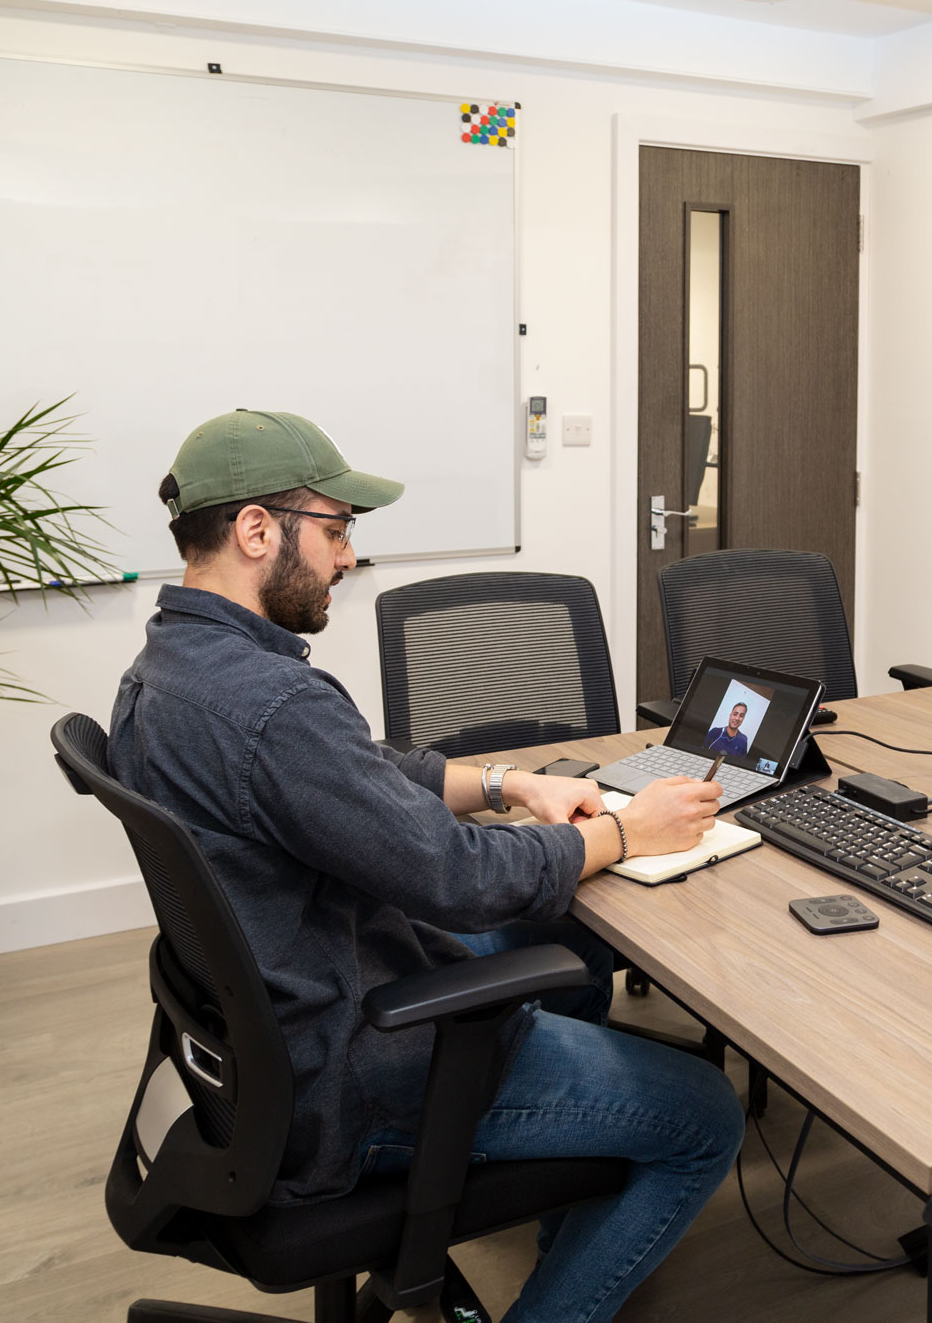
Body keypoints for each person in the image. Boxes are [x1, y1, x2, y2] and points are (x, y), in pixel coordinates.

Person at [108, 410, 743, 1323]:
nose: (347, 556)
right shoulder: (272, 702)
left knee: (561, 936)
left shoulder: (169, 669)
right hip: (356, 1072)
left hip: (280, 1040)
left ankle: (562, 1178)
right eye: (334, 529)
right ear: (256, 530)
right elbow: (458, 879)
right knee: (704, 1118)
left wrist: (506, 781)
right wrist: (624, 833)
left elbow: (358, 776)